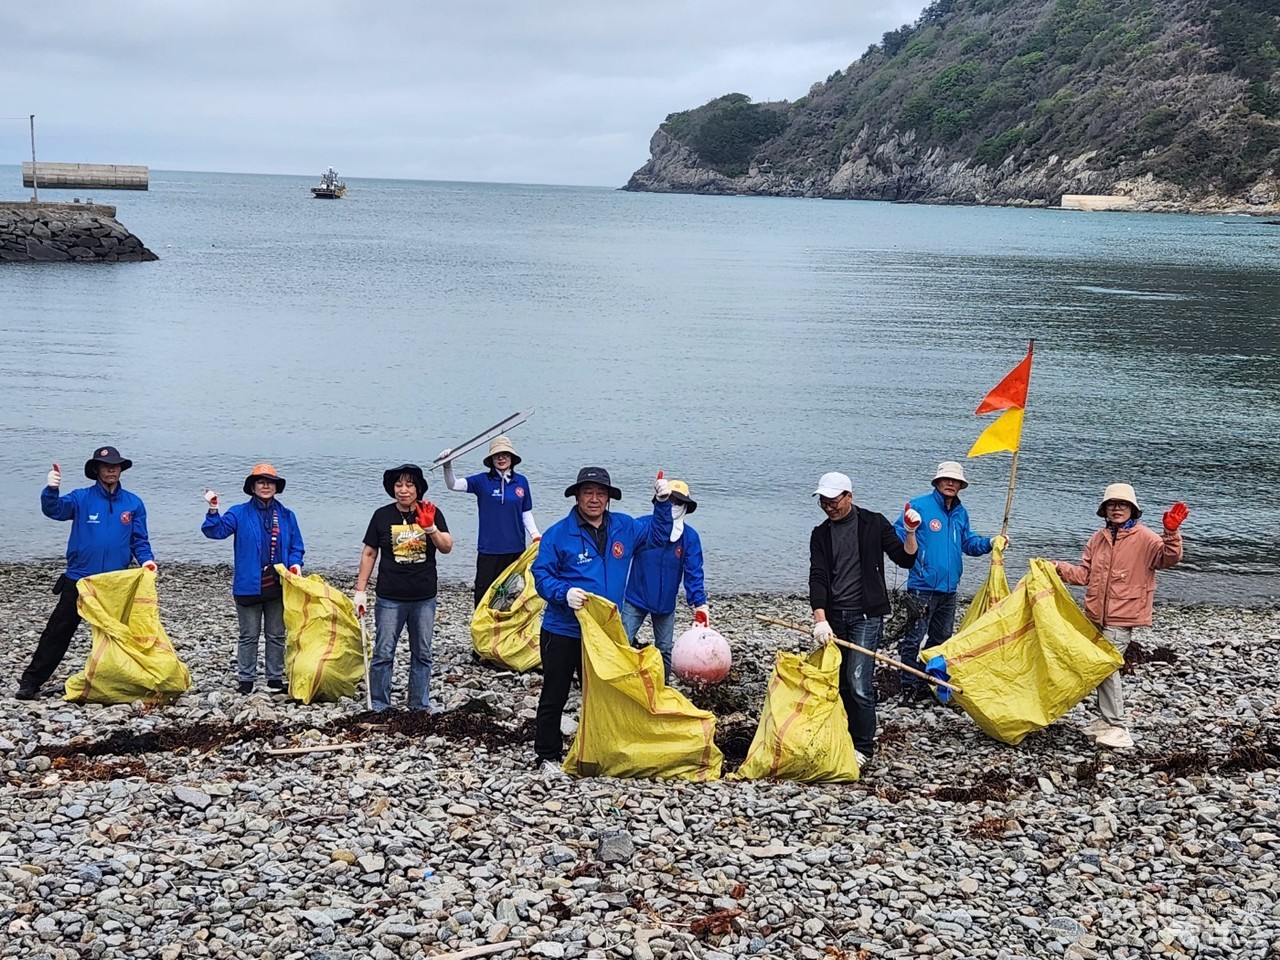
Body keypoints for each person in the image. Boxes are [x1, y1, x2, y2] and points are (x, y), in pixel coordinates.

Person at [531, 467, 672, 777]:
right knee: (555, 693)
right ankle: (547, 757)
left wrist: (662, 502)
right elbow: (541, 576)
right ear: (578, 496)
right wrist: (563, 592)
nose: (594, 499)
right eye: (587, 493)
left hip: (605, 633)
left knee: (604, 695)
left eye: (600, 493)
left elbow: (660, 535)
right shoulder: (558, 534)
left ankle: (600, 750)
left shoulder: (624, 527)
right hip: (562, 630)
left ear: (608, 497)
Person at [17, 446, 156, 700]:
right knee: (57, 632)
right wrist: (51, 490)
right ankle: (31, 682)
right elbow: (54, 510)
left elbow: (139, 540)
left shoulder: (133, 503)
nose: (112, 469)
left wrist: (147, 561)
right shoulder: (81, 498)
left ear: (121, 470)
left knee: (117, 634)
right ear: (96, 470)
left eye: (116, 465)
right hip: (79, 579)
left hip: (115, 583)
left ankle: (123, 681)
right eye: (106, 466)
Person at [1053, 483, 1186, 749]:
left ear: (1132, 510)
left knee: (1106, 665)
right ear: (1105, 510)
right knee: (1098, 665)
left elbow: (1169, 558)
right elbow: (1084, 575)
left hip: (1123, 614)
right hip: (1095, 613)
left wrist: (1171, 533)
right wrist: (1056, 567)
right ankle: (1105, 721)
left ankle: (1117, 726)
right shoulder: (1097, 539)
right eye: (1112, 505)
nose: (1117, 508)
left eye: (1122, 505)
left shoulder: (1146, 538)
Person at [808, 471, 918, 766]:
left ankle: (864, 748)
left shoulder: (873, 523)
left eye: (833, 501)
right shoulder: (820, 534)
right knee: (840, 681)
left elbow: (905, 559)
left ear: (849, 497)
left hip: (867, 616)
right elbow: (817, 578)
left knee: (858, 681)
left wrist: (909, 532)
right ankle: (844, 734)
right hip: (835, 616)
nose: (828, 507)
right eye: (823, 502)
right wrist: (820, 619)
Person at [893, 460, 999, 703]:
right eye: (947, 479)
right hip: (921, 587)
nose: (951, 483)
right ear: (938, 481)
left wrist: (991, 543)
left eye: (956, 480)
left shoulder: (961, 513)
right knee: (913, 638)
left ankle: (925, 679)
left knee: (941, 639)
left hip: (949, 590)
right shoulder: (919, 505)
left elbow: (968, 543)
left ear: (961, 485)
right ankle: (908, 685)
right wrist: (912, 542)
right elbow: (896, 535)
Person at [353, 464, 453, 712]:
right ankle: (379, 704)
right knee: (383, 652)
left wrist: (430, 528)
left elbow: (447, 546)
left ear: (418, 488)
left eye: (409, 485)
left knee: (423, 653)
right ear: (392, 489)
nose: (404, 490)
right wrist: (360, 590)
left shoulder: (431, 511)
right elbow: (369, 552)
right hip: (389, 596)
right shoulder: (381, 516)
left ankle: (419, 704)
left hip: (424, 596)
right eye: (399, 485)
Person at [201, 463, 305, 695]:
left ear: (277, 487)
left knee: (276, 634)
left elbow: (297, 547)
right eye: (261, 481)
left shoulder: (287, 516)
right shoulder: (238, 512)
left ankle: (274, 679)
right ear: (253, 486)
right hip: (248, 584)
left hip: (279, 584)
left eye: (270, 482)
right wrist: (213, 509)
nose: (266, 485)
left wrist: (295, 565)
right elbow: (215, 531)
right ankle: (246, 680)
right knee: (249, 634)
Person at [621, 479, 708, 682]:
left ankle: (663, 686)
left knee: (665, 649)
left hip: (665, 604)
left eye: (678, 502)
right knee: (623, 643)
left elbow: (694, 571)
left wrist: (700, 604)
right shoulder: (642, 525)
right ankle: (620, 683)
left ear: (686, 506)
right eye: (669, 500)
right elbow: (619, 557)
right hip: (635, 599)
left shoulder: (690, 537)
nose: (672, 506)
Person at [439, 436, 540, 606]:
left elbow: (526, 512)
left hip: (515, 548)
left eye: (505, 455)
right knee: (484, 594)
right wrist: (447, 465)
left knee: (512, 594)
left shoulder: (521, 482)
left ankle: (509, 628)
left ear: (512, 458)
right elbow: (453, 485)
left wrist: (535, 534)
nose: (501, 458)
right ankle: (483, 629)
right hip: (489, 549)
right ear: (491, 459)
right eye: (497, 455)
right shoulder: (482, 481)